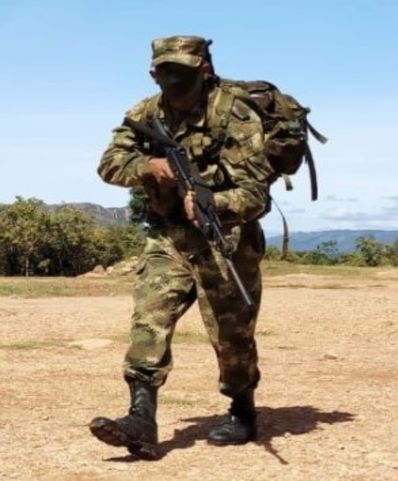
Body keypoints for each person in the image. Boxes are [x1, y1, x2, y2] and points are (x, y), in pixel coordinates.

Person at [90, 35, 274, 459]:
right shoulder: (145, 113)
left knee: (232, 338)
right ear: (153, 72)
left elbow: (256, 194)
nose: (171, 80)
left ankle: (242, 408)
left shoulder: (237, 114)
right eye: (163, 71)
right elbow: (108, 163)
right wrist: (150, 166)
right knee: (149, 317)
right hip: (168, 235)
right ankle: (141, 418)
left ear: (204, 69)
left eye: (181, 71)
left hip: (227, 237)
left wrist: (217, 202)